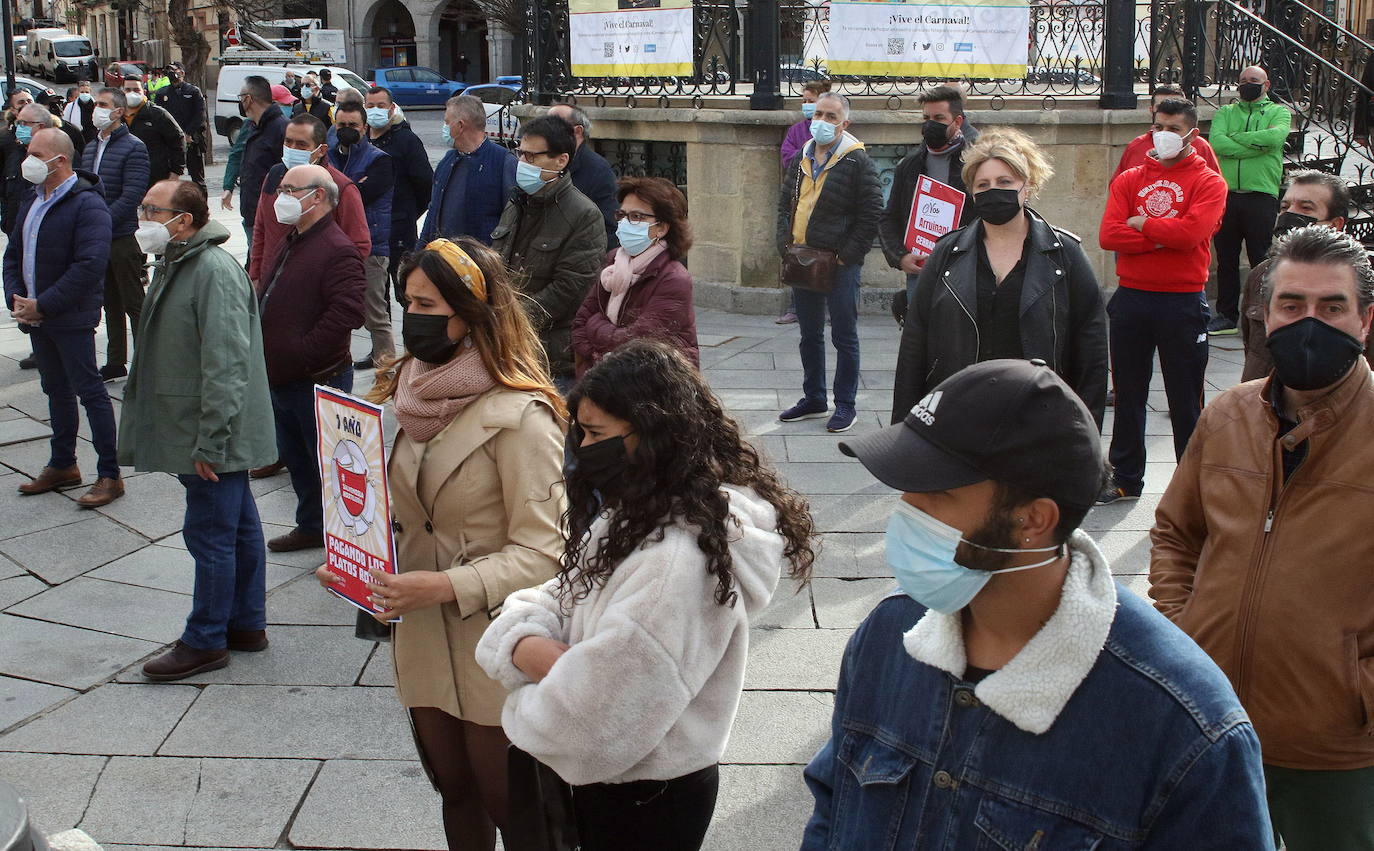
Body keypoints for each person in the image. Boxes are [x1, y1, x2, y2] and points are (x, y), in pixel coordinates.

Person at [802, 358, 1272, 847]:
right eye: (906, 489)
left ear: (1032, 521)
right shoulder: (888, 635)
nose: (905, 511)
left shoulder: (1182, 726)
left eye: (934, 494)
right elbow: (833, 810)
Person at [476, 339, 815, 851]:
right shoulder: (644, 507)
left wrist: (526, 685)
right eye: (581, 432)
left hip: (642, 798)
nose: (584, 449)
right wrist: (532, 646)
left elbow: (591, 721)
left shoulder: (674, 561)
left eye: (596, 434)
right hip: (635, 785)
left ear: (656, 433)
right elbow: (558, 595)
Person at [314, 237, 567, 849]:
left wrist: (445, 585)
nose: (411, 316)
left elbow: (546, 552)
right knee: (454, 790)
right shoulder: (400, 391)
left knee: (515, 807)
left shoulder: (522, 417)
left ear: (467, 313)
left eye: (426, 303)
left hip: (495, 638)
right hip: (422, 636)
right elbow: (389, 511)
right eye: (406, 301)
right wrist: (361, 563)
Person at [1150, 226, 1374, 849]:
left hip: (1335, 751)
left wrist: (1358, 695)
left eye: (1332, 307)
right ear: (1265, 314)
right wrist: (1183, 627)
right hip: (1210, 726)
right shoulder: (1228, 414)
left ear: (1365, 320)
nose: (1310, 322)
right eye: (1291, 305)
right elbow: (1176, 533)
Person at [121, 179, 276, 681]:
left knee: (210, 533)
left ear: (183, 220)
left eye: (152, 209)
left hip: (209, 432)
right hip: (202, 424)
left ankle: (205, 638)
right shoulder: (182, 260)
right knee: (237, 527)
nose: (143, 217)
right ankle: (246, 624)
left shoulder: (210, 270)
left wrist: (211, 438)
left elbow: (227, 362)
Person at [891, 128, 1108, 428]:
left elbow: (1092, 351)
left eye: (1005, 182)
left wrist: (1085, 432)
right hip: (960, 411)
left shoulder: (1064, 254)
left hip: (1037, 415)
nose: (993, 190)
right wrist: (904, 429)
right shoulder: (946, 253)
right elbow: (915, 343)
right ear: (972, 192)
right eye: (983, 184)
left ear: (1027, 186)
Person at [1097, 98, 1226, 504]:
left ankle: (1191, 487)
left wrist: (1145, 226)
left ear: (1192, 134)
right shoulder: (1131, 177)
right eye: (1158, 125)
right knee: (1129, 395)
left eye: (1173, 127)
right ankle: (1125, 479)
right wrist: (1164, 235)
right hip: (1132, 298)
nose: (1163, 134)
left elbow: (1194, 233)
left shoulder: (1209, 182)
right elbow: (1109, 235)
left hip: (1183, 302)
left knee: (1186, 401)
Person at [3, 128, 123, 508]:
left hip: (69, 315)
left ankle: (110, 474)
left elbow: (89, 266)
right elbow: (14, 253)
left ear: (60, 160)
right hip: (38, 314)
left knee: (90, 392)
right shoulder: (33, 198)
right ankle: (63, 464)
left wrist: (45, 304)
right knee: (55, 390)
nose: (28, 159)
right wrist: (17, 297)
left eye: (36, 153)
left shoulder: (88, 205)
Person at [256, 164, 365, 553]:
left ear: (317, 196)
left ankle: (344, 537)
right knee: (299, 461)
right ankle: (311, 525)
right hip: (282, 375)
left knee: (328, 464)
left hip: (316, 376)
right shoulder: (293, 237)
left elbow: (348, 312)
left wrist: (302, 353)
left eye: (289, 189)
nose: (280, 196)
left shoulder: (337, 249)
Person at [775, 92, 882, 434]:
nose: (821, 121)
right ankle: (814, 398)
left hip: (839, 263)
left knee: (844, 335)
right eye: (818, 114)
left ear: (844, 123)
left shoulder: (857, 161)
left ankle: (845, 404)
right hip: (802, 259)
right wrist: (784, 243)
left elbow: (871, 214)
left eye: (831, 116)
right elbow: (783, 205)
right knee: (809, 334)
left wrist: (846, 255)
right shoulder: (801, 158)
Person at [492, 114, 606, 392]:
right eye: (520, 153)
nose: (523, 163)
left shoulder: (583, 215)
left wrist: (512, 318)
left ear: (561, 161)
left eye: (533, 156)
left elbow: (570, 288)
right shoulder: (517, 201)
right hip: (505, 347)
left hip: (550, 356)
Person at [1238, 170, 1374, 380]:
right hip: (1262, 402)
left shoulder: (1361, 283)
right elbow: (1253, 347)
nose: (1290, 214)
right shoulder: (1260, 274)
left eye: (1305, 207)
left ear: (1335, 225)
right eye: (1285, 207)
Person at [572, 176, 698, 377]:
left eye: (637, 217)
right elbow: (580, 323)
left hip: (653, 386)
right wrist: (597, 357)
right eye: (622, 215)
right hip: (600, 381)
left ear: (661, 228)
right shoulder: (614, 260)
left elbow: (637, 342)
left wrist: (596, 330)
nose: (625, 223)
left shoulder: (674, 279)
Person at [881, 85, 982, 311]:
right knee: (920, 339)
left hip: (967, 271)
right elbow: (888, 217)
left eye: (938, 118)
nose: (930, 124)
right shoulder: (909, 165)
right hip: (922, 273)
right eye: (926, 117)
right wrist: (900, 257)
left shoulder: (978, 163)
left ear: (957, 122)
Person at [1208, 66, 1291, 336]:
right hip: (1227, 194)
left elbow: (1275, 137)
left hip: (1261, 194)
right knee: (1226, 259)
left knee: (1261, 259)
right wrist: (1256, 145)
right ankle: (1226, 315)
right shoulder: (1226, 113)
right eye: (1243, 81)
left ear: (1266, 85)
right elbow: (1217, 144)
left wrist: (1237, 141)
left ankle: (1262, 313)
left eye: (1253, 81)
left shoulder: (1279, 112)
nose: (1247, 84)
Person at [249, 113, 370, 287]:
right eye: (288, 142)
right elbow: (261, 229)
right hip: (272, 282)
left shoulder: (341, 187)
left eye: (301, 145)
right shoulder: (274, 177)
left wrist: (333, 284)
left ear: (321, 150)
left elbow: (359, 244)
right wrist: (256, 275)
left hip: (316, 287)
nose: (292, 148)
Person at [81, 87, 150, 382]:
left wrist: (102, 221)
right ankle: (115, 360)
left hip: (121, 235)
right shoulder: (90, 147)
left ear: (118, 111)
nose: (95, 108)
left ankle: (146, 362)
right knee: (109, 300)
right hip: (98, 238)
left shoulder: (134, 146)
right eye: (95, 103)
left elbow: (133, 192)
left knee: (134, 301)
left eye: (102, 104)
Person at [328, 102, 395, 371]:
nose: (347, 130)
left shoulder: (380, 160)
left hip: (371, 247)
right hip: (334, 245)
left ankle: (387, 368)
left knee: (375, 314)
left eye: (352, 126)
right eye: (341, 125)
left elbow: (354, 195)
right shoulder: (330, 156)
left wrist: (343, 189)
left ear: (364, 128)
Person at [364, 86, 432, 302]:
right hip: (370, 232)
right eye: (370, 106)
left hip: (400, 229)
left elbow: (425, 183)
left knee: (407, 293)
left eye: (380, 106)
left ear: (391, 108)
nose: (375, 110)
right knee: (376, 300)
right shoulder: (362, 141)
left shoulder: (406, 141)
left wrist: (408, 212)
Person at [421, 94, 516, 247]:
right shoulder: (448, 160)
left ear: (460, 126)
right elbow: (432, 213)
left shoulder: (503, 162)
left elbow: (513, 220)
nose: (444, 127)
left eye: (447, 122)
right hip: (442, 262)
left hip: (481, 263)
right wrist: (420, 253)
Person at [229, 76, 287, 269]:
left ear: (248, 99)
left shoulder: (280, 128)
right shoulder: (253, 126)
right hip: (252, 213)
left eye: (240, 97)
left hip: (269, 218)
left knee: (261, 271)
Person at [548, 103, 619, 249]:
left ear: (577, 131)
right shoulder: (547, 164)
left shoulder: (598, 170)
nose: (544, 130)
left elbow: (608, 227)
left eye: (553, 124)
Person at [1112, 83, 1220, 179]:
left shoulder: (1201, 146)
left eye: (1177, 105)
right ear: (1152, 110)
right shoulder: (1136, 146)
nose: (1168, 110)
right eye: (1161, 107)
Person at [153, 62, 206, 193]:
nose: (172, 74)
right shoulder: (162, 93)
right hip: (171, 142)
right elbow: (158, 116)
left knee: (197, 178)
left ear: (182, 73)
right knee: (170, 176)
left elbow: (199, 115)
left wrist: (189, 133)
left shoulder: (193, 91)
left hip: (191, 140)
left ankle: (203, 207)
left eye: (175, 71)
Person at [121, 75, 184, 185]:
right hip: (125, 178)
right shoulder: (117, 116)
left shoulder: (157, 114)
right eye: (128, 90)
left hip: (155, 178)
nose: (132, 93)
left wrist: (176, 171)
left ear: (144, 91)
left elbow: (178, 139)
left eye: (136, 90)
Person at [781, 79, 831, 168]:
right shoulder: (795, 130)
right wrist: (805, 152)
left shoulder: (831, 127)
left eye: (811, 102)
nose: (807, 104)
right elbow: (786, 156)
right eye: (804, 101)